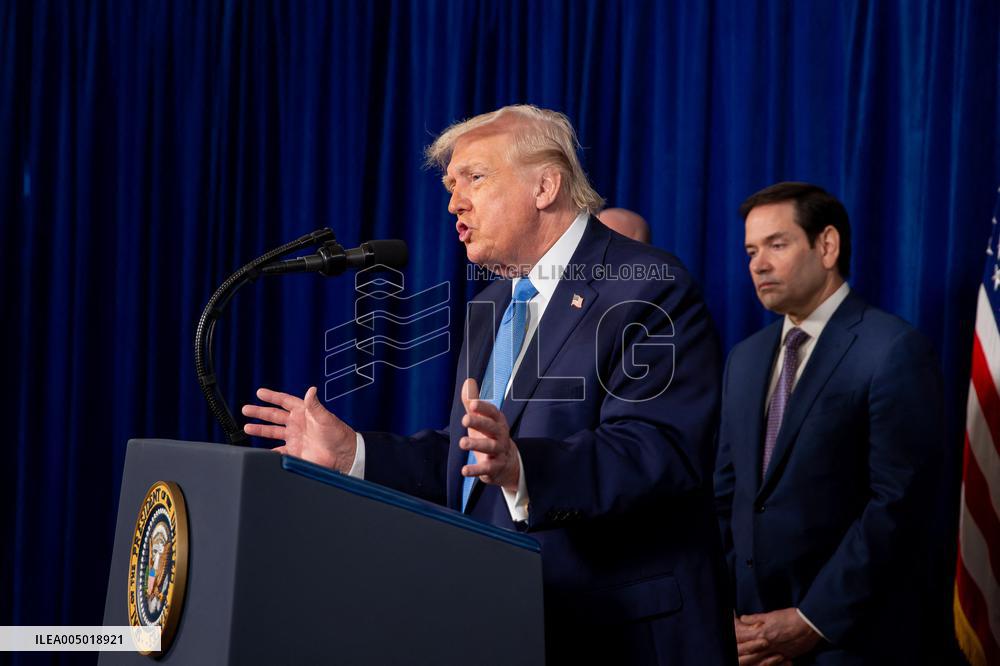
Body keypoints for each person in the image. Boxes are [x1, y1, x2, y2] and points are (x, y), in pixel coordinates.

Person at [243, 105, 734, 664]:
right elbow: (471, 460)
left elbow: (659, 450)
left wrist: (524, 466)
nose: (454, 201)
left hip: (618, 636)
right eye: (450, 185)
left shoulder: (649, 286)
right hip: (505, 625)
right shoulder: (493, 304)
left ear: (545, 185)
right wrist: (355, 454)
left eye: (474, 178)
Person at [714, 182, 944, 664]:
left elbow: (896, 506)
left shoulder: (892, 350)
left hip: (849, 640)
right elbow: (727, 495)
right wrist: (736, 618)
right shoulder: (745, 358)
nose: (758, 264)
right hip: (751, 641)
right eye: (751, 250)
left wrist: (810, 621)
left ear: (827, 246)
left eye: (777, 244)